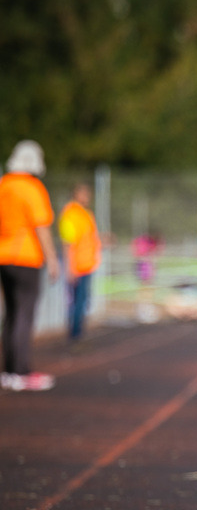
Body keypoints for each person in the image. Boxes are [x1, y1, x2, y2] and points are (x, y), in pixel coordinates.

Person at [0, 140, 59, 391]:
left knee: (11, 314)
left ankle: (8, 371)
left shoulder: (3, 185)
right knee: (25, 312)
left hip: (3, 256)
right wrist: (53, 260)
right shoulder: (32, 187)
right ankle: (21, 371)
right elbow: (41, 227)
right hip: (26, 257)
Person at [59, 183, 102, 343]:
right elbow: (67, 242)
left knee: (83, 300)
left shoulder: (86, 214)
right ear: (76, 194)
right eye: (84, 193)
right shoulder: (70, 214)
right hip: (77, 266)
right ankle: (75, 334)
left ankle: (78, 333)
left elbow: (90, 239)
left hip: (88, 264)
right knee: (77, 301)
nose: (87, 197)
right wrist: (70, 268)